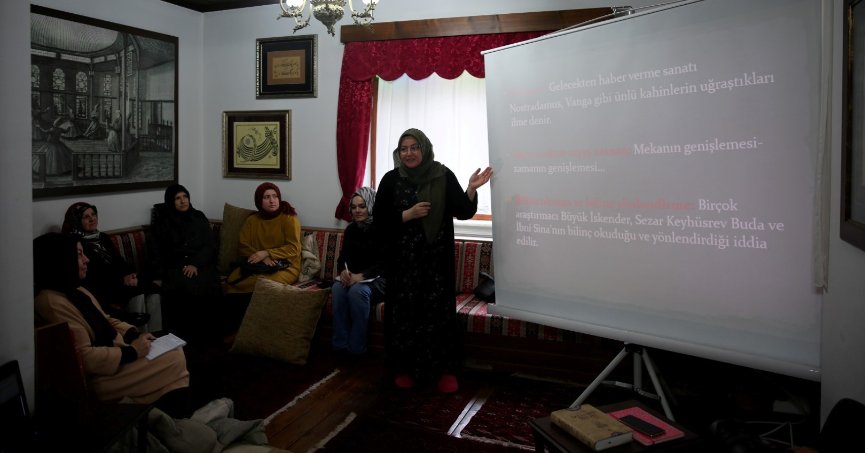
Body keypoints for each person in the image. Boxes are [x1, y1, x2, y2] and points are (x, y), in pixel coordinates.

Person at [374, 128, 492, 393]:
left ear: (424, 149)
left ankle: (444, 371)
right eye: (404, 148)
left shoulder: (442, 174)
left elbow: (463, 210)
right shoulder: (391, 180)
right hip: (403, 265)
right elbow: (379, 221)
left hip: (435, 265)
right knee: (406, 316)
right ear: (398, 153)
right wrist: (407, 214)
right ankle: (405, 369)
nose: (409, 153)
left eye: (414, 147)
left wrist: (471, 188)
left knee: (436, 316)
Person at [33, 232, 190, 415]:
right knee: (175, 359)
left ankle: (160, 419)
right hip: (102, 377)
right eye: (79, 254)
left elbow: (105, 319)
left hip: (119, 352)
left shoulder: (76, 289)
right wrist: (132, 351)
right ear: (60, 259)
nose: (87, 260)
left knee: (174, 353)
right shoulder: (51, 302)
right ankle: (158, 419)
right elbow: (85, 358)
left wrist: (134, 334)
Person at [61, 201, 162, 332]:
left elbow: (119, 262)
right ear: (76, 221)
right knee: (136, 292)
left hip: (118, 283)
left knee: (153, 290)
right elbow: (91, 276)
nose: (92, 219)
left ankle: (158, 336)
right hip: (100, 288)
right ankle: (141, 338)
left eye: (93, 214)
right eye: (86, 217)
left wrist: (130, 275)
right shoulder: (76, 244)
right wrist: (122, 280)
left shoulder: (102, 237)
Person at [151, 184, 221, 343]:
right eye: (177, 198)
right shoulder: (163, 223)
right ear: (170, 201)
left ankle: (208, 335)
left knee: (208, 284)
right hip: (176, 266)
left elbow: (210, 245)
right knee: (184, 286)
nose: (183, 201)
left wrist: (195, 263)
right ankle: (184, 337)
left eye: (185, 197)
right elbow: (158, 251)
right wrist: (159, 275)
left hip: (201, 264)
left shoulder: (198, 216)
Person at [332, 187, 385, 357]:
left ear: (370, 205)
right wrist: (343, 273)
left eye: (362, 206)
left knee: (357, 292)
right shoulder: (351, 230)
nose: (357, 211)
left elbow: (384, 263)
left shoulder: (382, 228)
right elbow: (343, 258)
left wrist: (360, 277)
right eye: (354, 207)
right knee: (337, 289)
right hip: (355, 277)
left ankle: (357, 348)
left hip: (381, 279)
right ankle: (340, 344)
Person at [225, 182, 302, 294]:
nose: (272, 200)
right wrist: (262, 257)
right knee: (232, 280)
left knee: (262, 284)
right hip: (258, 264)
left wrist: (267, 253)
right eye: (266, 197)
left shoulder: (289, 218)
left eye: (275, 196)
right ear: (259, 201)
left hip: (285, 266)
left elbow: (294, 248)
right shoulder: (252, 220)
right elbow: (243, 245)